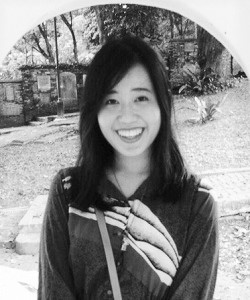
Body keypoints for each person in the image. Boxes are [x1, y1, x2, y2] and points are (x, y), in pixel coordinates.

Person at [38, 36, 219, 300]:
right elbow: (53, 292)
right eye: (111, 101)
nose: (126, 116)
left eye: (141, 98)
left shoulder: (198, 206)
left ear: (162, 104)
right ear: (95, 110)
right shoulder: (67, 192)